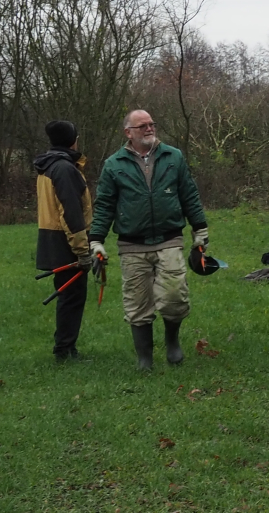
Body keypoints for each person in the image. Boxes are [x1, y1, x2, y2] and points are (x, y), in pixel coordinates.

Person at [89, 109, 209, 370]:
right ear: (128, 132)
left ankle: (172, 341)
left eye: (151, 124)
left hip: (169, 239)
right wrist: (96, 240)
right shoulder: (114, 164)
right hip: (132, 244)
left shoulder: (173, 157)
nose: (149, 129)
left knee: (175, 296)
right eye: (142, 126)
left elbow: (189, 194)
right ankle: (145, 358)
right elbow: (105, 205)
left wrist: (200, 230)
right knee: (138, 303)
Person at [34, 120, 96, 362]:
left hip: (51, 239)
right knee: (72, 298)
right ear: (73, 141)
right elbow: (70, 214)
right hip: (66, 242)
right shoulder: (64, 169)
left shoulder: (48, 165)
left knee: (68, 296)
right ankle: (65, 350)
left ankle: (66, 347)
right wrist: (82, 250)